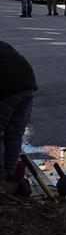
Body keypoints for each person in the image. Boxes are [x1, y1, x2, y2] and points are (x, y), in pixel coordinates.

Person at [0, 37, 36, 188]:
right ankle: (10, 174)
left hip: (7, 87)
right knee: (15, 132)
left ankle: (1, 183)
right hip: (27, 82)